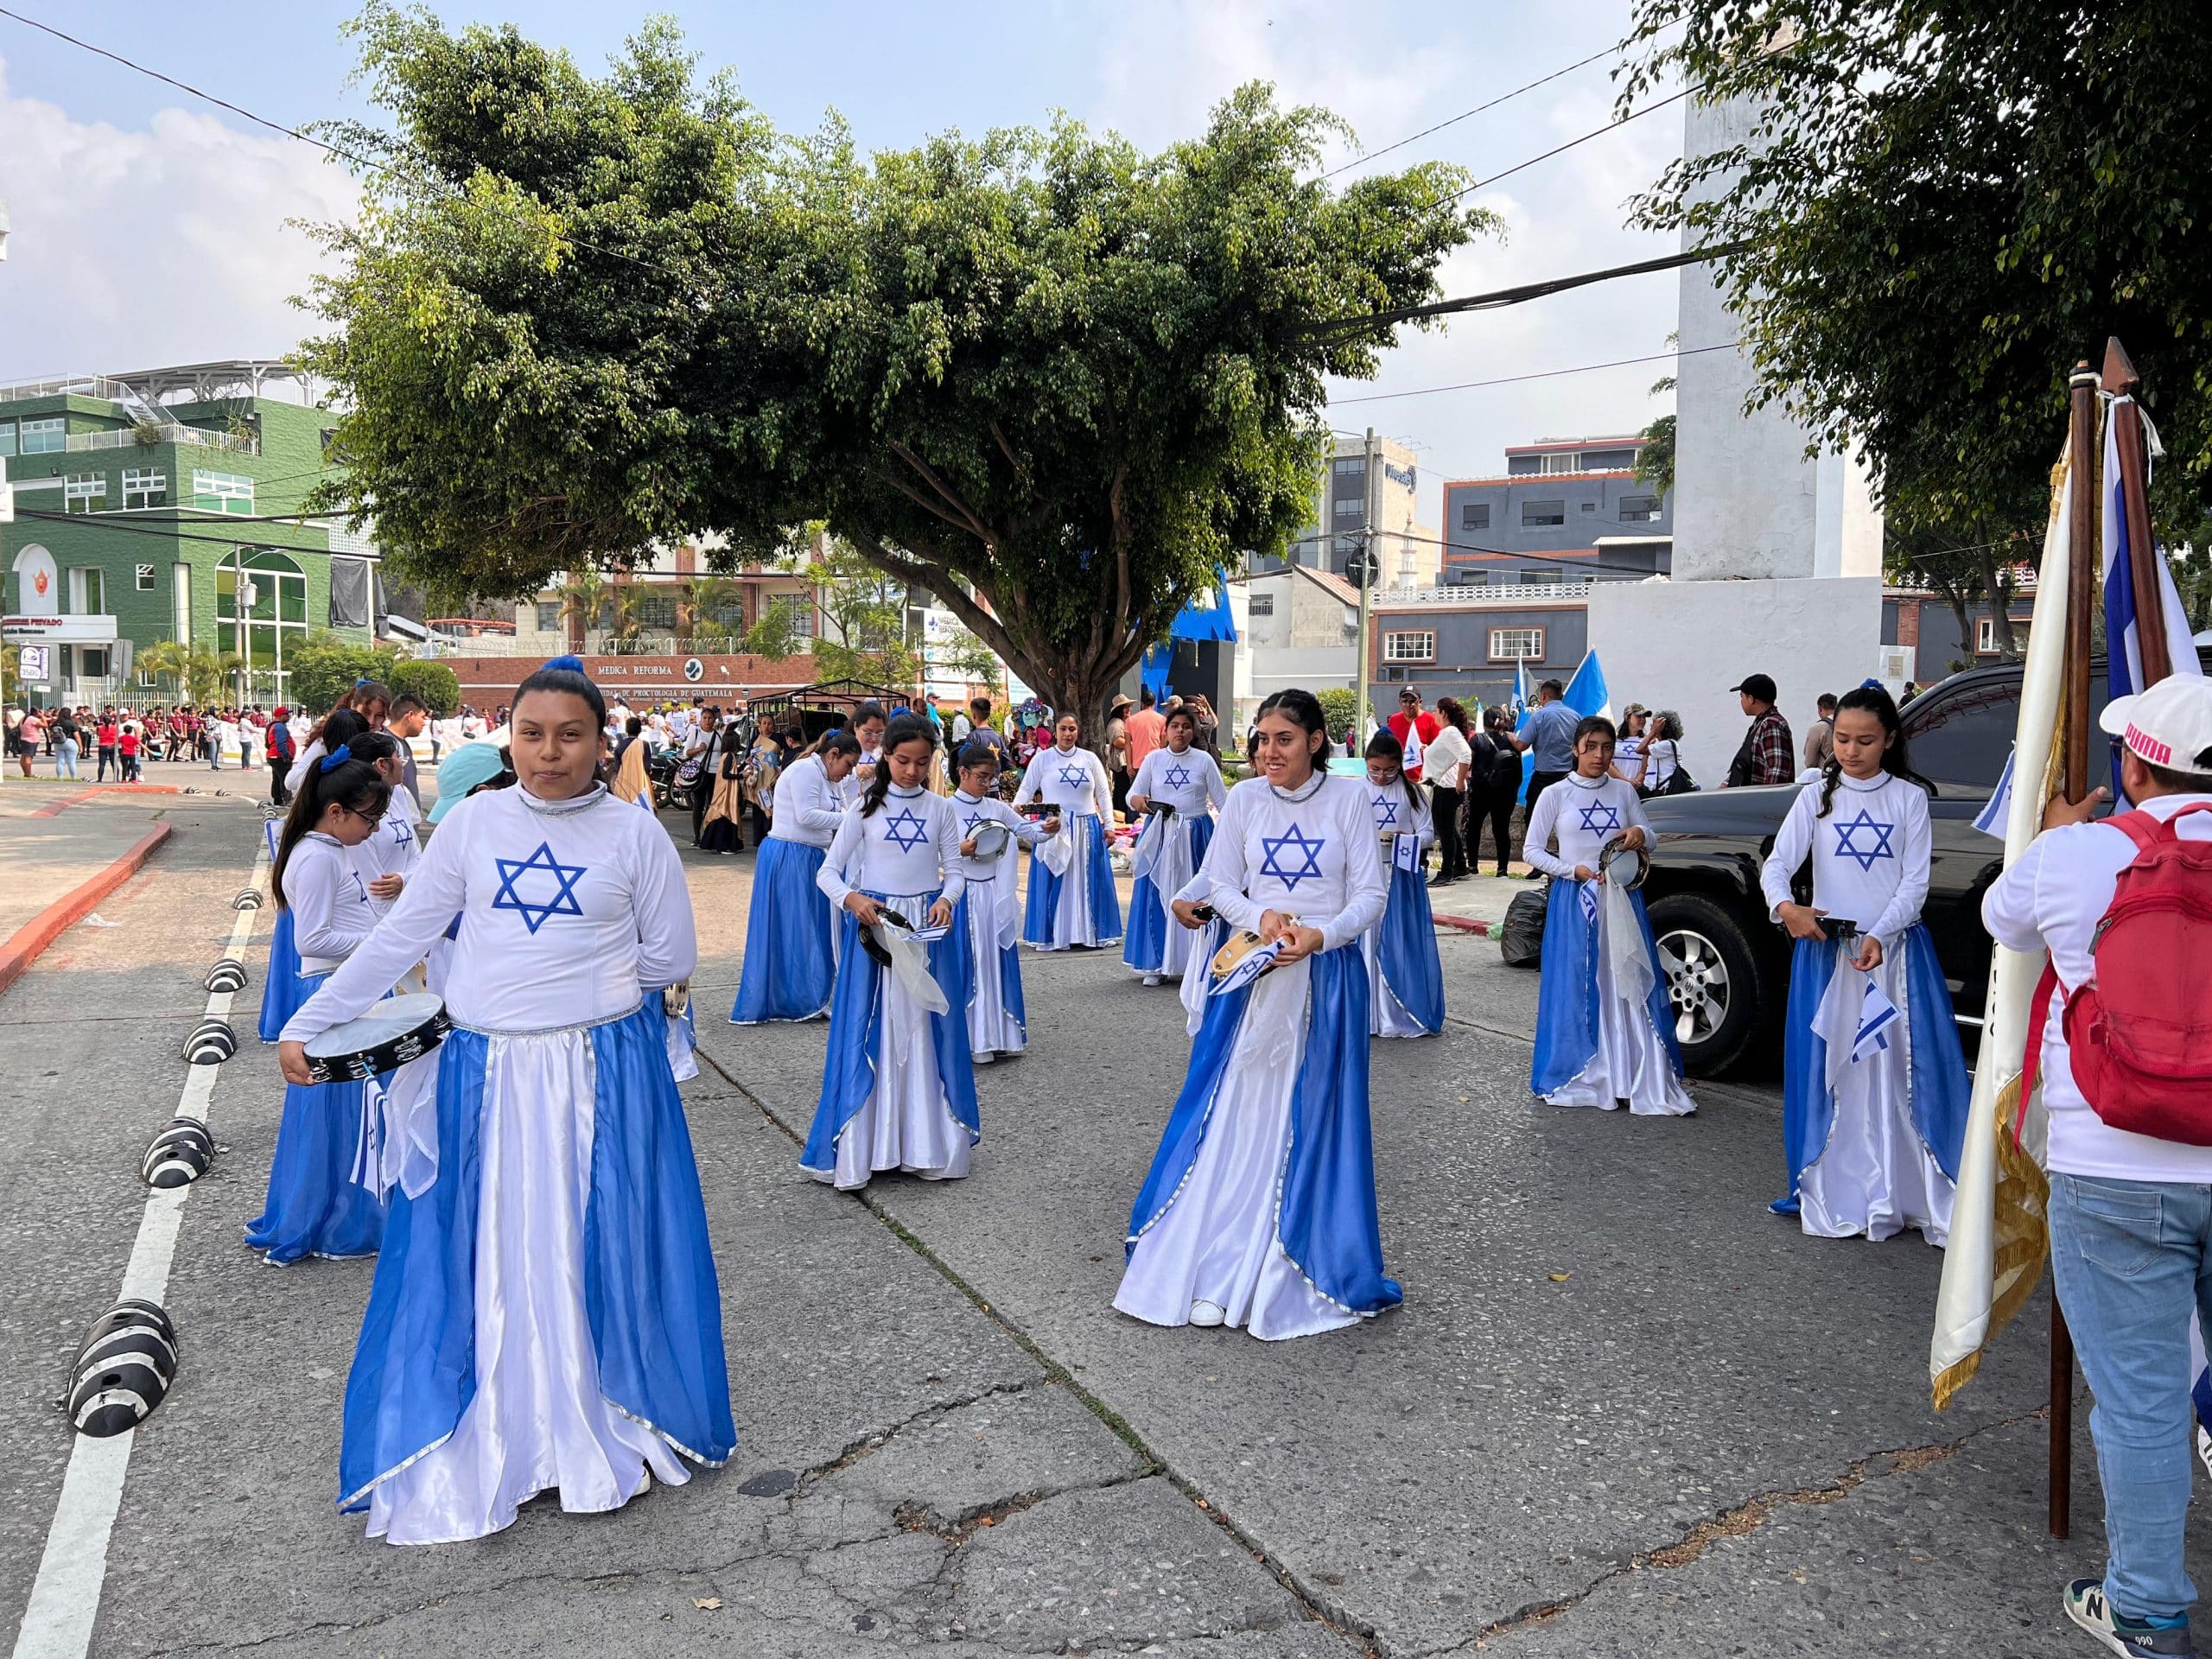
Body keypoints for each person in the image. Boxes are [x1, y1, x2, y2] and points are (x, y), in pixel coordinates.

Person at [278, 654, 732, 1544]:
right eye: (531, 734)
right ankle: (497, 1427)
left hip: (597, 1076)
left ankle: (598, 1422)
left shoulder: (634, 834)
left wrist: (581, 995)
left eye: (570, 736)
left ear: (602, 744)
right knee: (496, 1247)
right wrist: (315, 1020)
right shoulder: (475, 823)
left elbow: (668, 960)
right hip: (484, 1074)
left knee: (582, 1242)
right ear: (508, 737)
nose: (548, 753)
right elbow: (401, 935)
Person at [1978, 675, 2212, 1657]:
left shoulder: (2078, 856)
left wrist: (2052, 834)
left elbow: (2001, 923)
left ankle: (2150, 1609)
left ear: (2133, 764)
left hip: (2112, 1162)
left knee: (2142, 1401)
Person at [1116, 688, 1397, 1338]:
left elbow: (1370, 894)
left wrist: (1320, 936)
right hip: (1251, 972)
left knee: (1308, 1114)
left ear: (1316, 741)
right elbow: (1219, 883)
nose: (1270, 752)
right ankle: (1214, 1258)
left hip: (1325, 977)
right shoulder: (1242, 800)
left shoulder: (1351, 798)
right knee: (1237, 1107)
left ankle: (1283, 1263)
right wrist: (1261, 918)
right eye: (1263, 739)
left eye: (1285, 739)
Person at [1761, 684, 1967, 1243]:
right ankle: (1839, 1185)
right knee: (1837, 1073)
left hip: (1894, 954)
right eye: (1842, 739)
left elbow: (1915, 883)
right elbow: (1777, 865)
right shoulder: (1814, 797)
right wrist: (1787, 909)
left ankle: (1909, 1188)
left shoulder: (1908, 799)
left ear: (1891, 740)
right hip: (1829, 954)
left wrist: (1880, 932)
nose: (1851, 751)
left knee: (1900, 1071)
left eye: (1865, 741)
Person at [803, 713, 977, 1186]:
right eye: (903, 761)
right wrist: (853, 899)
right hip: (876, 932)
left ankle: (926, 1144)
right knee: (872, 1030)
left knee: (923, 1030)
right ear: (886, 757)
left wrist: (946, 899)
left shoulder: (941, 810)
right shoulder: (862, 808)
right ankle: (867, 1147)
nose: (912, 771)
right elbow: (828, 873)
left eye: (923, 763)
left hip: (924, 932)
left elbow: (954, 871)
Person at [251, 741, 391, 1265]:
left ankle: (346, 1213)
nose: (373, 829)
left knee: (353, 1116)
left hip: (351, 989)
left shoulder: (334, 851)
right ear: (336, 812)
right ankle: (331, 1220)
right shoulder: (314, 858)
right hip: (331, 993)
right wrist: (380, 943)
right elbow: (311, 940)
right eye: (368, 819)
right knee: (333, 1116)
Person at [1524, 715, 1693, 1116]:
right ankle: (1585, 1071)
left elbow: (1648, 834)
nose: (1599, 755)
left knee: (1625, 979)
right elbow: (1532, 851)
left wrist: (1638, 835)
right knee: (1580, 982)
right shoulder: (1554, 793)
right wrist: (1573, 871)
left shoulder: (1623, 792)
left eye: (1606, 747)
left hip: (1621, 898)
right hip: (1575, 898)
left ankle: (1633, 1071)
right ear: (1576, 748)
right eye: (1592, 746)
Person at [731, 730, 859, 1024]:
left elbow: (841, 808)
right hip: (791, 855)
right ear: (833, 755)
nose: (849, 772)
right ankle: (797, 997)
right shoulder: (805, 771)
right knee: (795, 929)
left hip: (808, 856)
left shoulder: (824, 775)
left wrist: (850, 815)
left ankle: (809, 992)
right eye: (848, 765)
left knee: (810, 929)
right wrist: (852, 819)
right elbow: (807, 816)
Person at [950, 741, 1054, 1062]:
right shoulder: (944, 809)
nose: (987, 783)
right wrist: (957, 851)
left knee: (994, 961)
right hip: (962, 893)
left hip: (994, 893)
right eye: (981, 777)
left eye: (991, 777)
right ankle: (974, 1039)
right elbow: (928, 853)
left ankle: (1000, 1033)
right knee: (972, 963)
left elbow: (1028, 831)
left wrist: (1049, 829)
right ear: (962, 773)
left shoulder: (995, 808)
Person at [1122, 706, 1227, 987]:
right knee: (1156, 894)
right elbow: (1132, 794)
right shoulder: (1154, 760)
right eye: (1175, 726)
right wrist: (1140, 802)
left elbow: (1224, 804)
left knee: (1197, 896)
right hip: (1161, 834)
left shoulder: (1203, 761)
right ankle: (1155, 963)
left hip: (1196, 835)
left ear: (1193, 731)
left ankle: (1198, 962)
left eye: (1186, 726)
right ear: (1165, 731)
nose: (1180, 731)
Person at [1363, 731, 1445, 1037]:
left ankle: (1399, 1010)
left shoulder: (1412, 793)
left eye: (1389, 770)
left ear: (1399, 765)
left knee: (1399, 942)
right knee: (1365, 943)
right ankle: (1367, 1012)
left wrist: (1403, 840)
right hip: (1365, 874)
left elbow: (1428, 834)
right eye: (1374, 769)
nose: (1381, 776)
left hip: (1400, 874)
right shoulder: (1356, 791)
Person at [1018, 713, 1122, 951]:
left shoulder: (1090, 759)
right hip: (1055, 827)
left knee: (1087, 881)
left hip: (1088, 828)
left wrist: (1109, 825)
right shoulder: (1042, 759)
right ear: (1056, 730)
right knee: (1056, 880)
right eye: (1063, 729)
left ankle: (1088, 932)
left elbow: (1104, 794)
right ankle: (1055, 934)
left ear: (1078, 731)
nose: (1068, 734)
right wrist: (1017, 814)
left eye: (1072, 729)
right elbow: (1026, 790)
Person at [1511, 678, 1580, 824]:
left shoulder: (1539, 716)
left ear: (1543, 696)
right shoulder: (1575, 717)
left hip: (1543, 778)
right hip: (1569, 777)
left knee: (1534, 819)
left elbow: (1521, 745)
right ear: (1561, 697)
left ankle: (1535, 847)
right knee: (1568, 819)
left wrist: (1510, 737)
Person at [1424, 697, 1475, 887]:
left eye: (1436, 711)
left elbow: (1466, 754)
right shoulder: (1447, 733)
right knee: (1448, 829)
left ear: (1443, 713)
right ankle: (1460, 866)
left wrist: (1460, 780)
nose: (1434, 715)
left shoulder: (1449, 732)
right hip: (1444, 785)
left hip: (1447, 787)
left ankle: (1447, 872)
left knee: (1444, 831)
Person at [1467, 707, 1521, 879]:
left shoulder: (1477, 739)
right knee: (1502, 829)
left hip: (1481, 790)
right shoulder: (1512, 740)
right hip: (1505, 792)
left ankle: (1473, 865)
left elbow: (1469, 762)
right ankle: (1502, 869)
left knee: (1474, 827)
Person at [1726, 673, 1796, 788]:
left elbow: (1777, 774)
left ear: (1751, 699)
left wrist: (1766, 801)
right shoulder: (1761, 724)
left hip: (1762, 802)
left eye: (1742, 697)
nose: (1741, 701)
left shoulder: (1771, 725)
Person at [1388, 687, 1441, 783]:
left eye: (1413, 701)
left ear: (1420, 702)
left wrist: (1429, 749)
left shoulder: (1431, 720)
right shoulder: (1393, 719)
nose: (1409, 705)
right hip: (1397, 777)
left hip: (1422, 779)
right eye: (1405, 701)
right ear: (1399, 702)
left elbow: (1440, 749)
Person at [1124, 687, 1169, 779]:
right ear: (1155, 702)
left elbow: (1127, 744)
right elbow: (1163, 744)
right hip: (1156, 763)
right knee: (1156, 793)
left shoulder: (1130, 720)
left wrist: (1129, 765)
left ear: (1141, 703)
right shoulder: (1162, 720)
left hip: (1136, 764)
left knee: (1137, 793)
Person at [1106, 696, 1135, 817]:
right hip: (1121, 763)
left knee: (1119, 791)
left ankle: (1119, 814)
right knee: (1123, 791)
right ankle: (1122, 815)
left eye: (1129, 707)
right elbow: (1118, 741)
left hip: (1124, 762)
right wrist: (1133, 744)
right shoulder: (1116, 724)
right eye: (1125, 708)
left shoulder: (1123, 723)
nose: (1128, 710)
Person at [264, 706, 296, 807]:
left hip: (273, 755)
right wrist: (286, 756)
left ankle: (278, 800)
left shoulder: (274, 726)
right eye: (286, 714)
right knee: (284, 778)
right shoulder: (279, 727)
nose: (289, 716)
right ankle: (287, 800)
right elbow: (281, 743)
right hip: (279, 756)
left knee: (277, 778)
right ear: (281, 715)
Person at [1803, 692, 1839, 774]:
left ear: (1820, 708)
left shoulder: (1817, 728)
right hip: (1845, 775)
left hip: (1824, 776)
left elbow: (1810, 762)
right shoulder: (1845, 724)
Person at [52, 707, 80, 779]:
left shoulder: (55, 723)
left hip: (58, 743)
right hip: (70, 742)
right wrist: (80, 746)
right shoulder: (71, 723)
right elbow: (77, 736)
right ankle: (73, 778)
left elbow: (50, 734)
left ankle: (59, 777)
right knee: (71, 762)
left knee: (60, 760)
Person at [95, 710, 120, 784]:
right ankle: (116, 778)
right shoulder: (115, 727)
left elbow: (98, 734)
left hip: (103, 745)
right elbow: (117, 736)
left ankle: (100, 779)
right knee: (114, 763)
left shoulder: (99, 727)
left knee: (102, 764)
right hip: (112, 746)